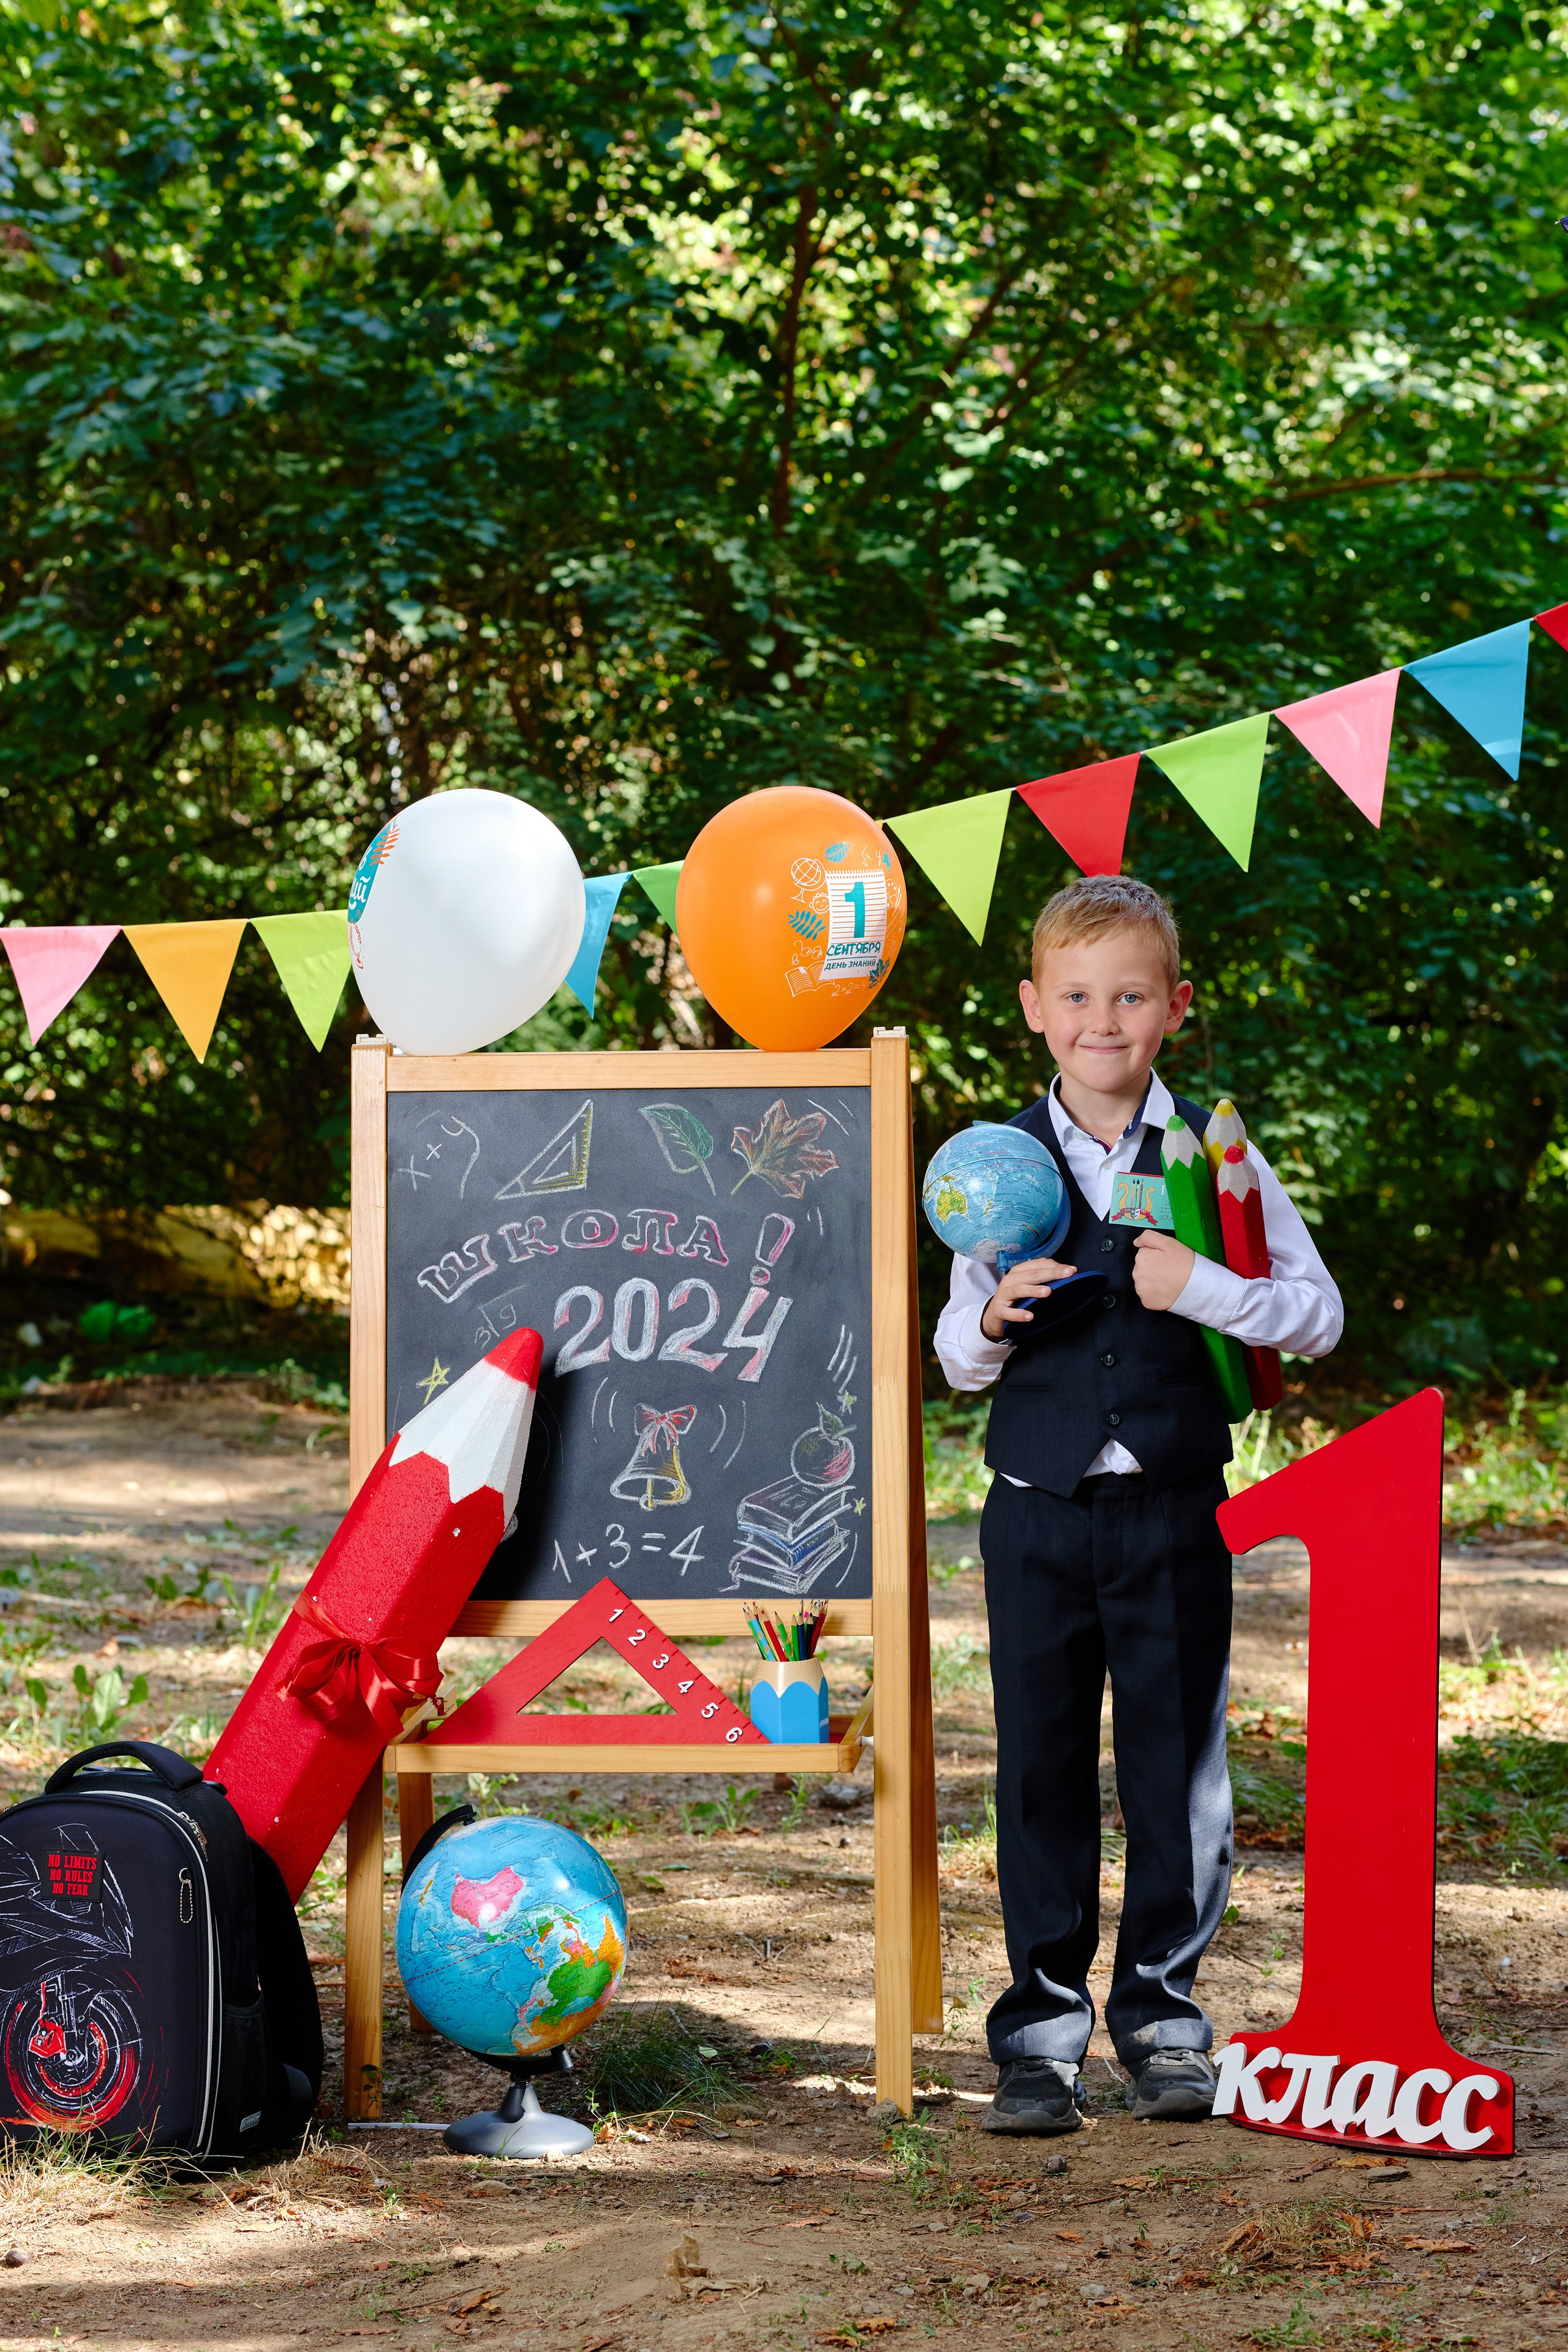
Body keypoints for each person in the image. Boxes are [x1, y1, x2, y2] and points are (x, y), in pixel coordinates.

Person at [933, 874, 1341, 2135]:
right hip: (1036, 1511)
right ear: (1031, 1009)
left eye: (1126, 995)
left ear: (1171, 1006)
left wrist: (1200, 1287)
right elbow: (954, 1351)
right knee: (1039, 1769)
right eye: (1073, 995)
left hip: (1171, 1509)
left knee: (1175, 1774)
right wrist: (995, 1319)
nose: (1099, 1019)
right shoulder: (993, 1169)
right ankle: (1037, 2036)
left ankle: (1162, 2020)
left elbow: (1313, 1316)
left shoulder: (1216, 1156)